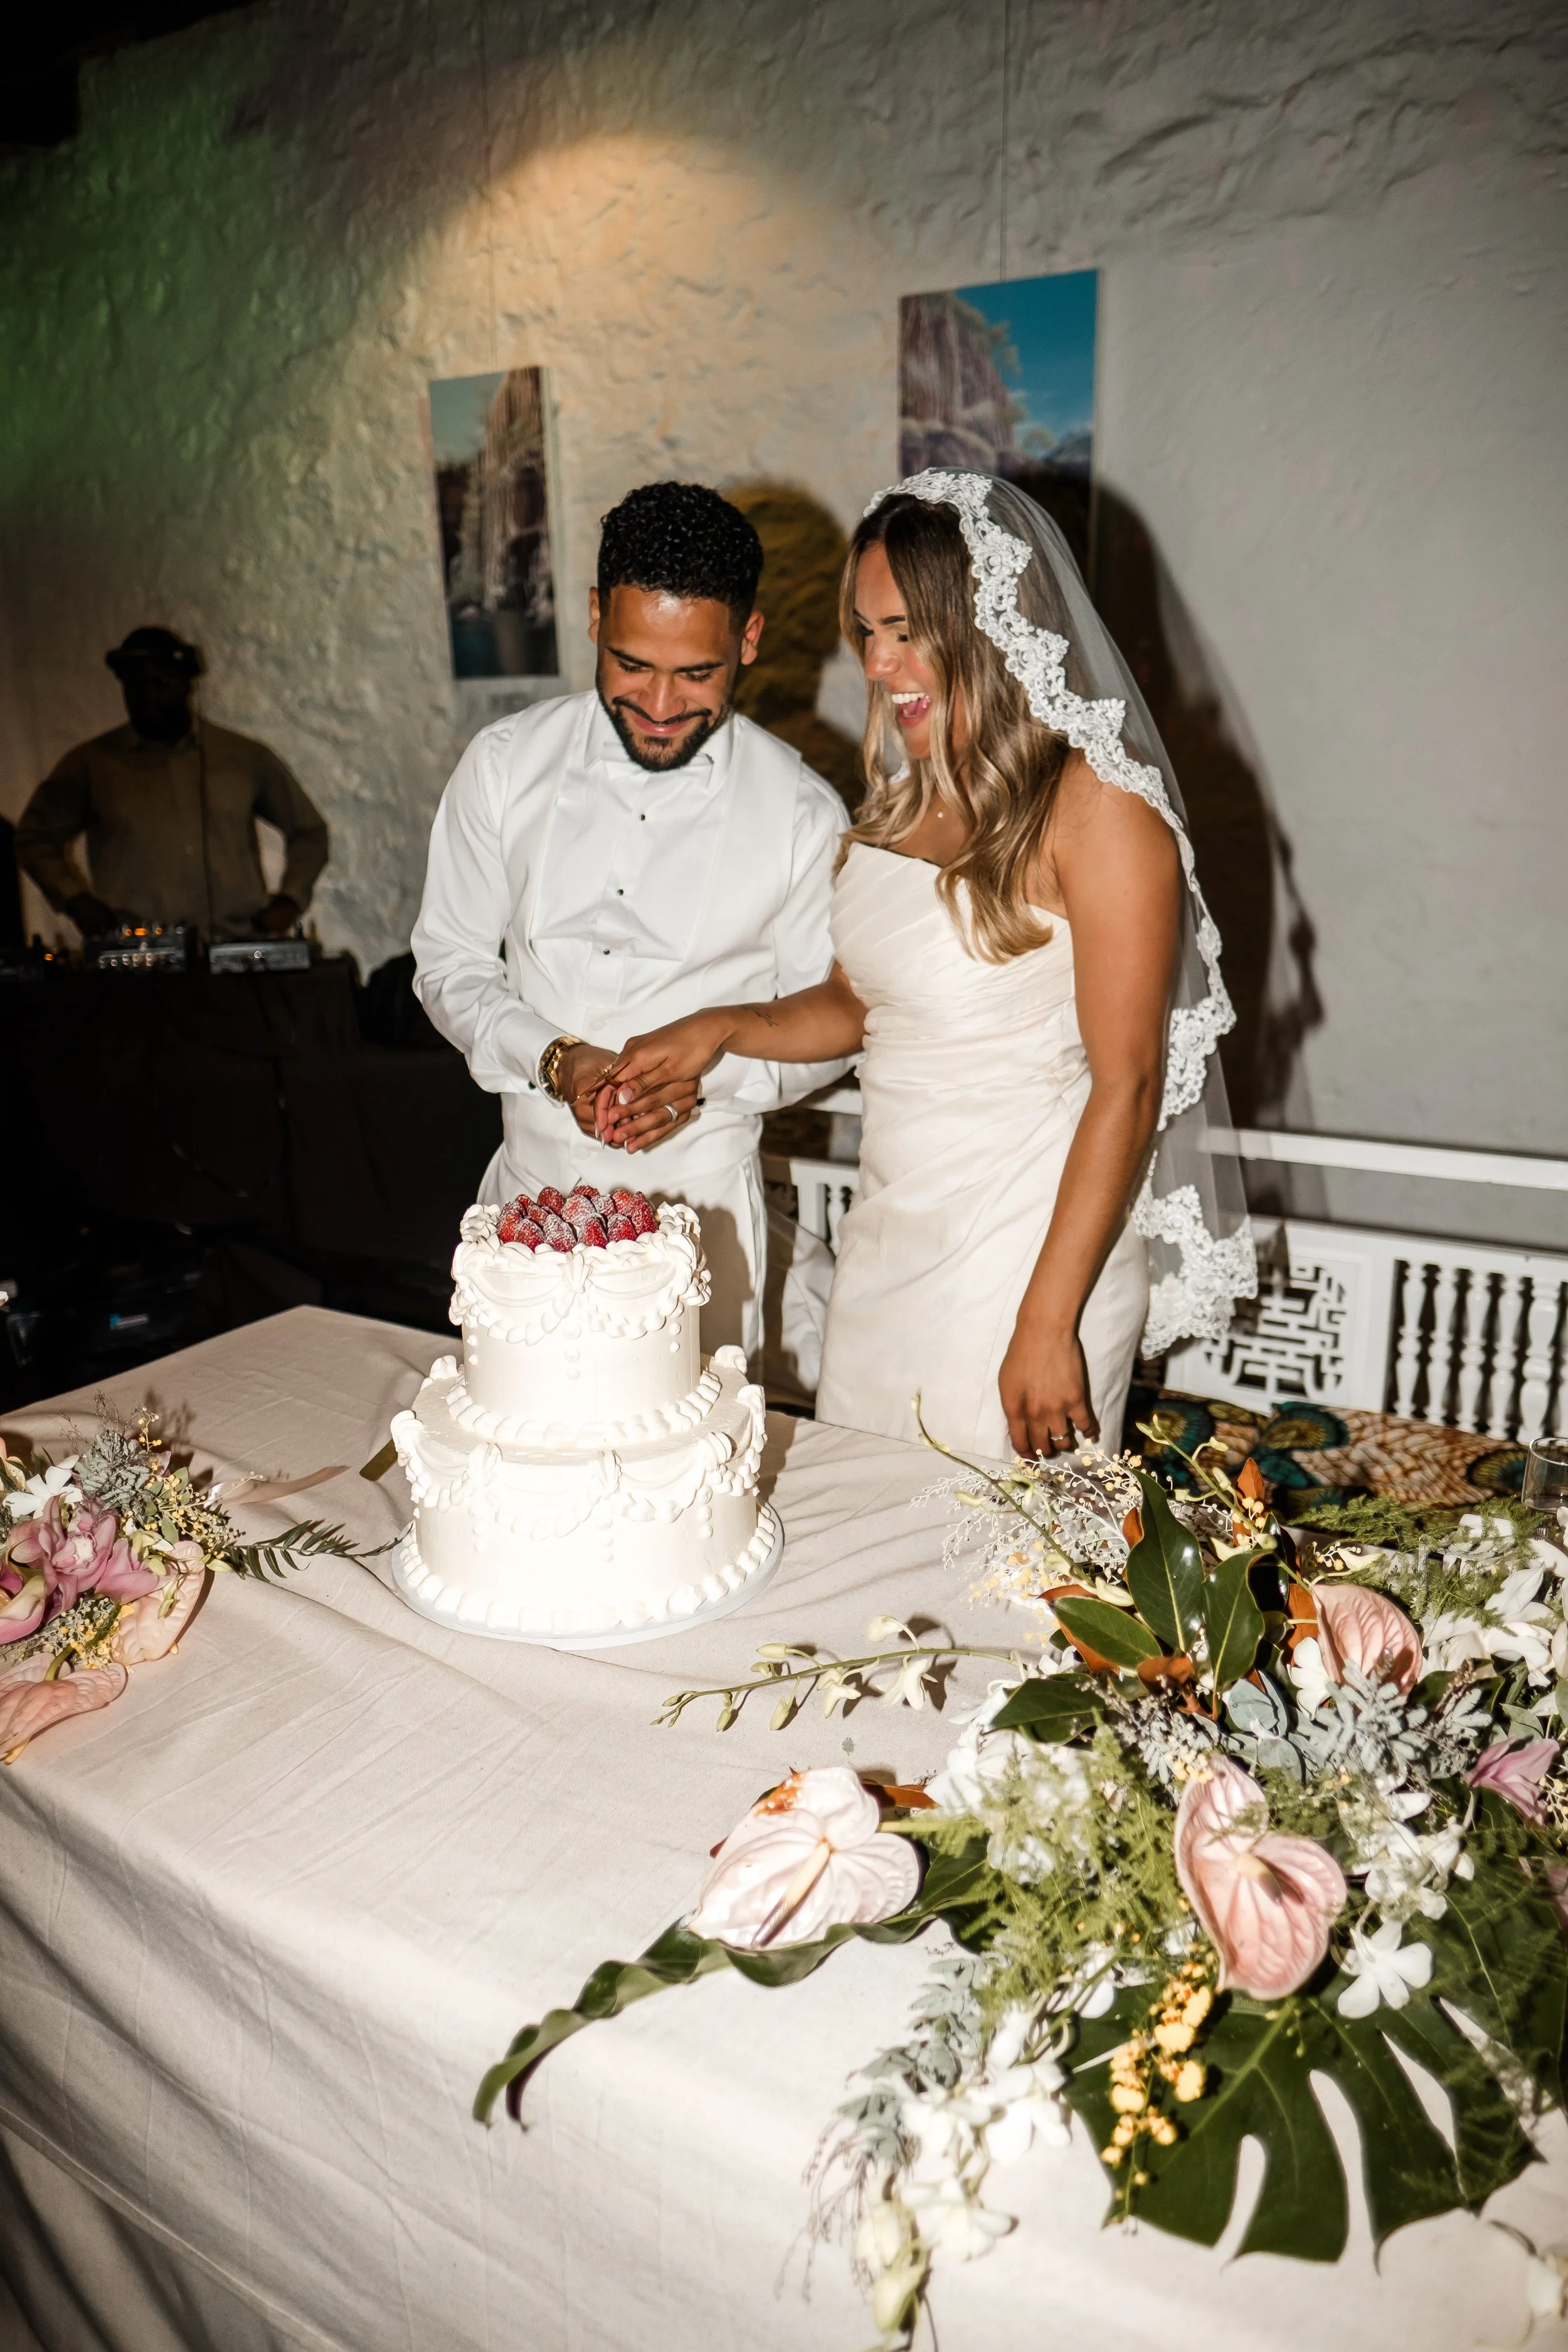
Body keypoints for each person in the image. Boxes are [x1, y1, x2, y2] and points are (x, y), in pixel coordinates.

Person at [603, 472, 1256, 1461]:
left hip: (1027, 1261)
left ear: (989, 624)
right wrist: (722, 1026)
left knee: (998, 1580)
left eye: (905, 628)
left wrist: (1046, 1325)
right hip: (887, 1249)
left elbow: (1128, 1083)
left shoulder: (1098, 809)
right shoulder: (910, 798)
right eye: (865, 631)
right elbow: (861, 1005)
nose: (877, 662)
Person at [411, 480, 848, 1364]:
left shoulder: (805, 812)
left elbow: (835, 1023)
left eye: (696, 672)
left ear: (750, 640)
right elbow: (448, 963)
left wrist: (706, 1081)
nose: (658, 705)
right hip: (528, 1201)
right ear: (593, 618)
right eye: (631, 663)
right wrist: (553, 1056)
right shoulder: (501, 767)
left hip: (706, 1220)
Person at [15, 626, 328, 942]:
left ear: (187, 684)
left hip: (235, 950)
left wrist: (290, 900)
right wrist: (76, 901)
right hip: (137, 958)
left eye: (161, 683)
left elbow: (309, 831)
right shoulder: (91, 764)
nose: (149, 695)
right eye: (135, 686)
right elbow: (34, 837)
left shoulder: (243, 757)